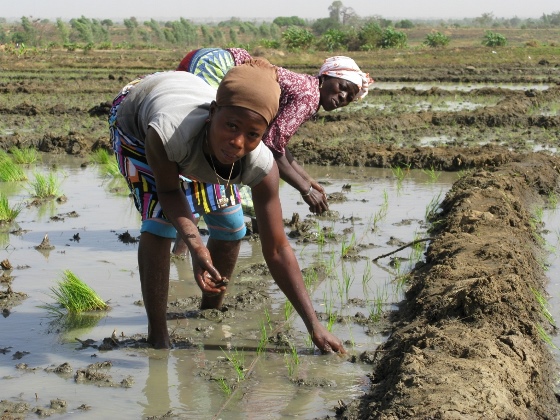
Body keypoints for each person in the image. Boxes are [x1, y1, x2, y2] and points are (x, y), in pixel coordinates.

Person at [109, 60, 345, 353]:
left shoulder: (259, 163)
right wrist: (196, 246)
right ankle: (158, 336)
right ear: (213, 113)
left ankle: (209, 310)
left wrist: (314, 325)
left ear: (263, 135)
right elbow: (170, 191)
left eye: (252, 135)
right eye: (231, 126)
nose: (236, 142)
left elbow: (277, 249)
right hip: (138, 123)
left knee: (233, 227)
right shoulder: (168, 132)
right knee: (160, 224)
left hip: (195, 124)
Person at [177, 48, 374, 216]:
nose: (343, 97)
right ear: (325, 77)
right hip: (216, 66)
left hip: (216, 58)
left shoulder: (309, 91)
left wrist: (307, 179)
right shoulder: (309, 97)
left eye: (349, 97)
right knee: (208, 148)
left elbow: (277, 144)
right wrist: (305, 190)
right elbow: (272, 146)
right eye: (342, 87)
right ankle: (182, 234)